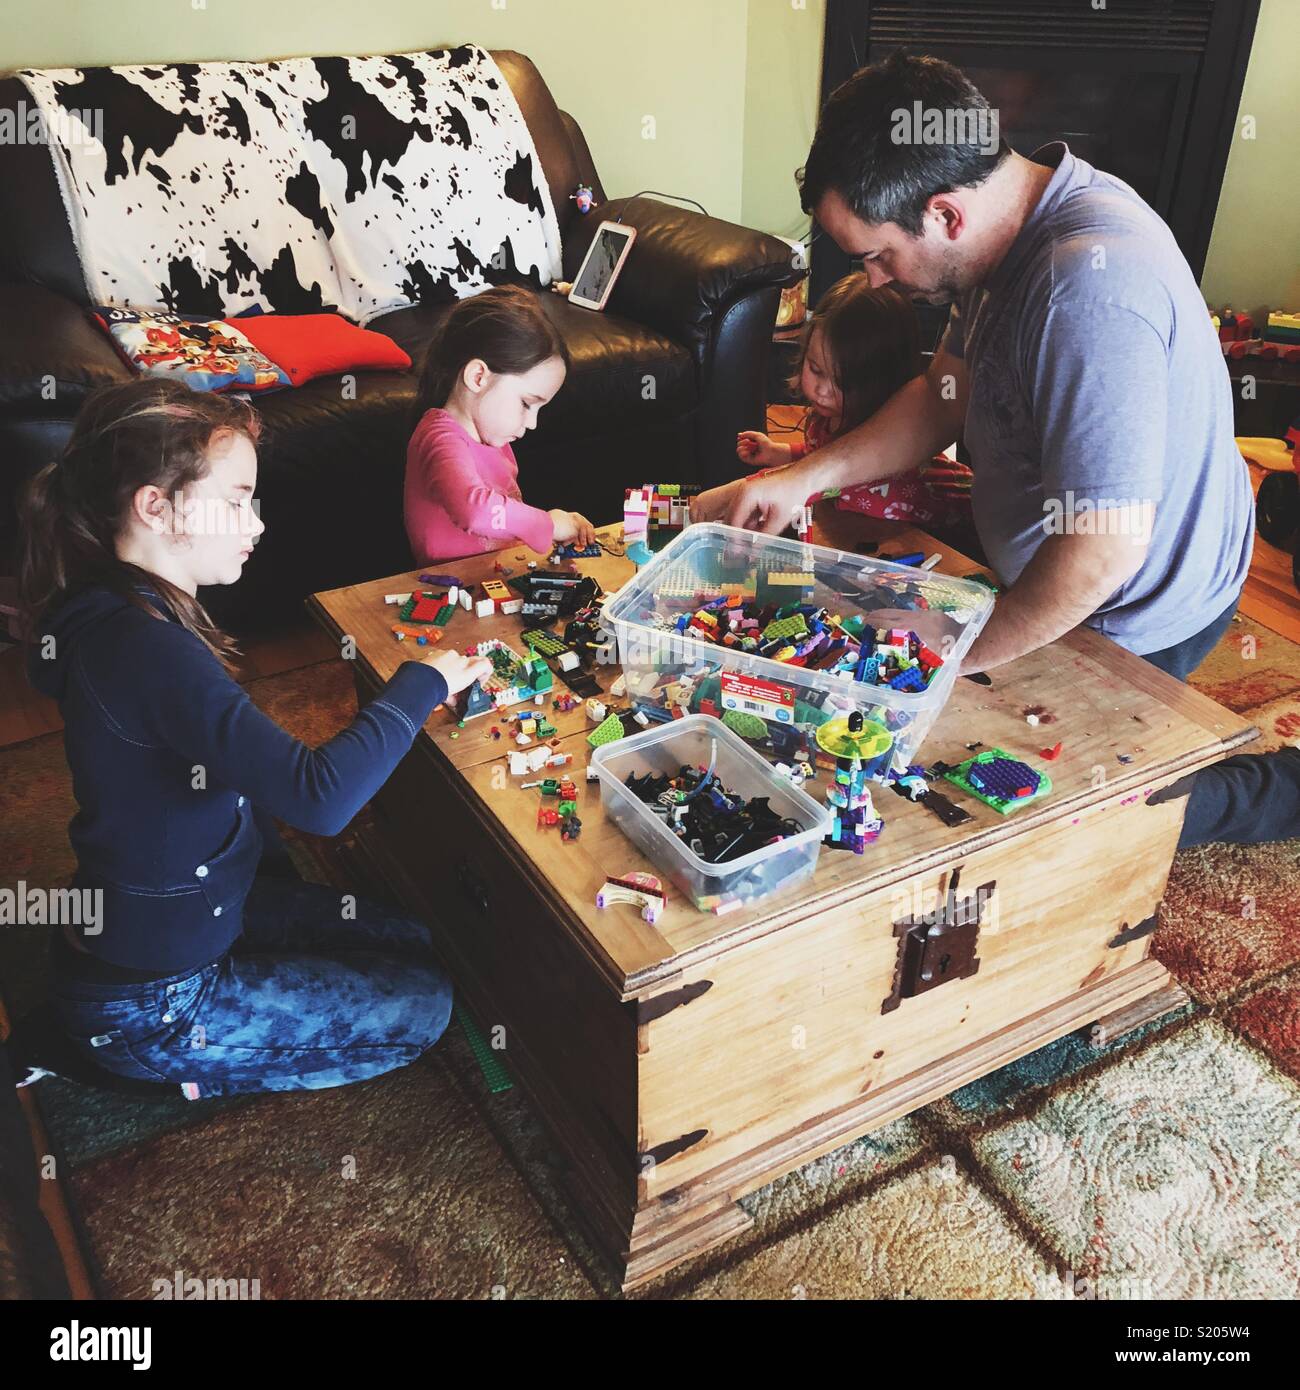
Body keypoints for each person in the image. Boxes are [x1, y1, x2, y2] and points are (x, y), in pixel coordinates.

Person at [693, 51, 1254, 683]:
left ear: (945, 215)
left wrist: (947, 660)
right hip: (1048, 574)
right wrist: (799, 478)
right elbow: (941, 398)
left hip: (1126, 615)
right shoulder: (1003, 232)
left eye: (877, 255)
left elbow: (1103, 552)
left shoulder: (1086, 294)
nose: (874, 281)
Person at [17, 377, 493, 1099]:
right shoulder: (147, 649)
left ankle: (119, 1030)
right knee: (425, 1009)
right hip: (154, 999)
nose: (257, 524)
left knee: (414, 942)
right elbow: (320, 798)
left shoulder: (118, 604)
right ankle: (120, 1062)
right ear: (156, 505)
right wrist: (421, 681)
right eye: (237, 500)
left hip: (189, 914)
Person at [736, 274, 973, 529]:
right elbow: (818, 460)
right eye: (816, 369)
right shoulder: (825, 418)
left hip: (960, 527)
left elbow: (833, 485)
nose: (823, 391)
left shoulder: (880, 445)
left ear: (883, 383)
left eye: (843, 383)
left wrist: (755, 484)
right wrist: (777, 452)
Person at [404, 284, 595, 565]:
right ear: (478, 376)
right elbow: (476, 511)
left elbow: (500, 515)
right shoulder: (440, 438)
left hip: (494, 574)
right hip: (451, 589)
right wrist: (547, 524)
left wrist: (553, 524)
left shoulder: (492, 435)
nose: (532, 423)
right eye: (527, 404)